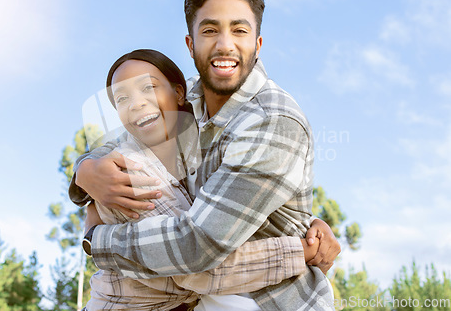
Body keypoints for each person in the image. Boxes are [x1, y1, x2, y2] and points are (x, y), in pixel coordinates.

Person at [72, 0, 340, 310]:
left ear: (257, 44)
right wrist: (86, 171)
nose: (225, 44)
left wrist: (97, 242)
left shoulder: (274, 122)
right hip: (201, 297)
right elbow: (126, 140)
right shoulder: (188, 99)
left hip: (265, 301)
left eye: (239, 30)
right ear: (191, 43)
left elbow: (197, 247)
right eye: (210, 30)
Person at [83, 48, 322, 310]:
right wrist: (300, 251)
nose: (136, 103)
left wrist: (305, 223)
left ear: (179, 93)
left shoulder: (195, 145)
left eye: (149, 87)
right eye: (122, 98)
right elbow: (198, 268)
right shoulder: (131, 172)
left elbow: (235, 199)